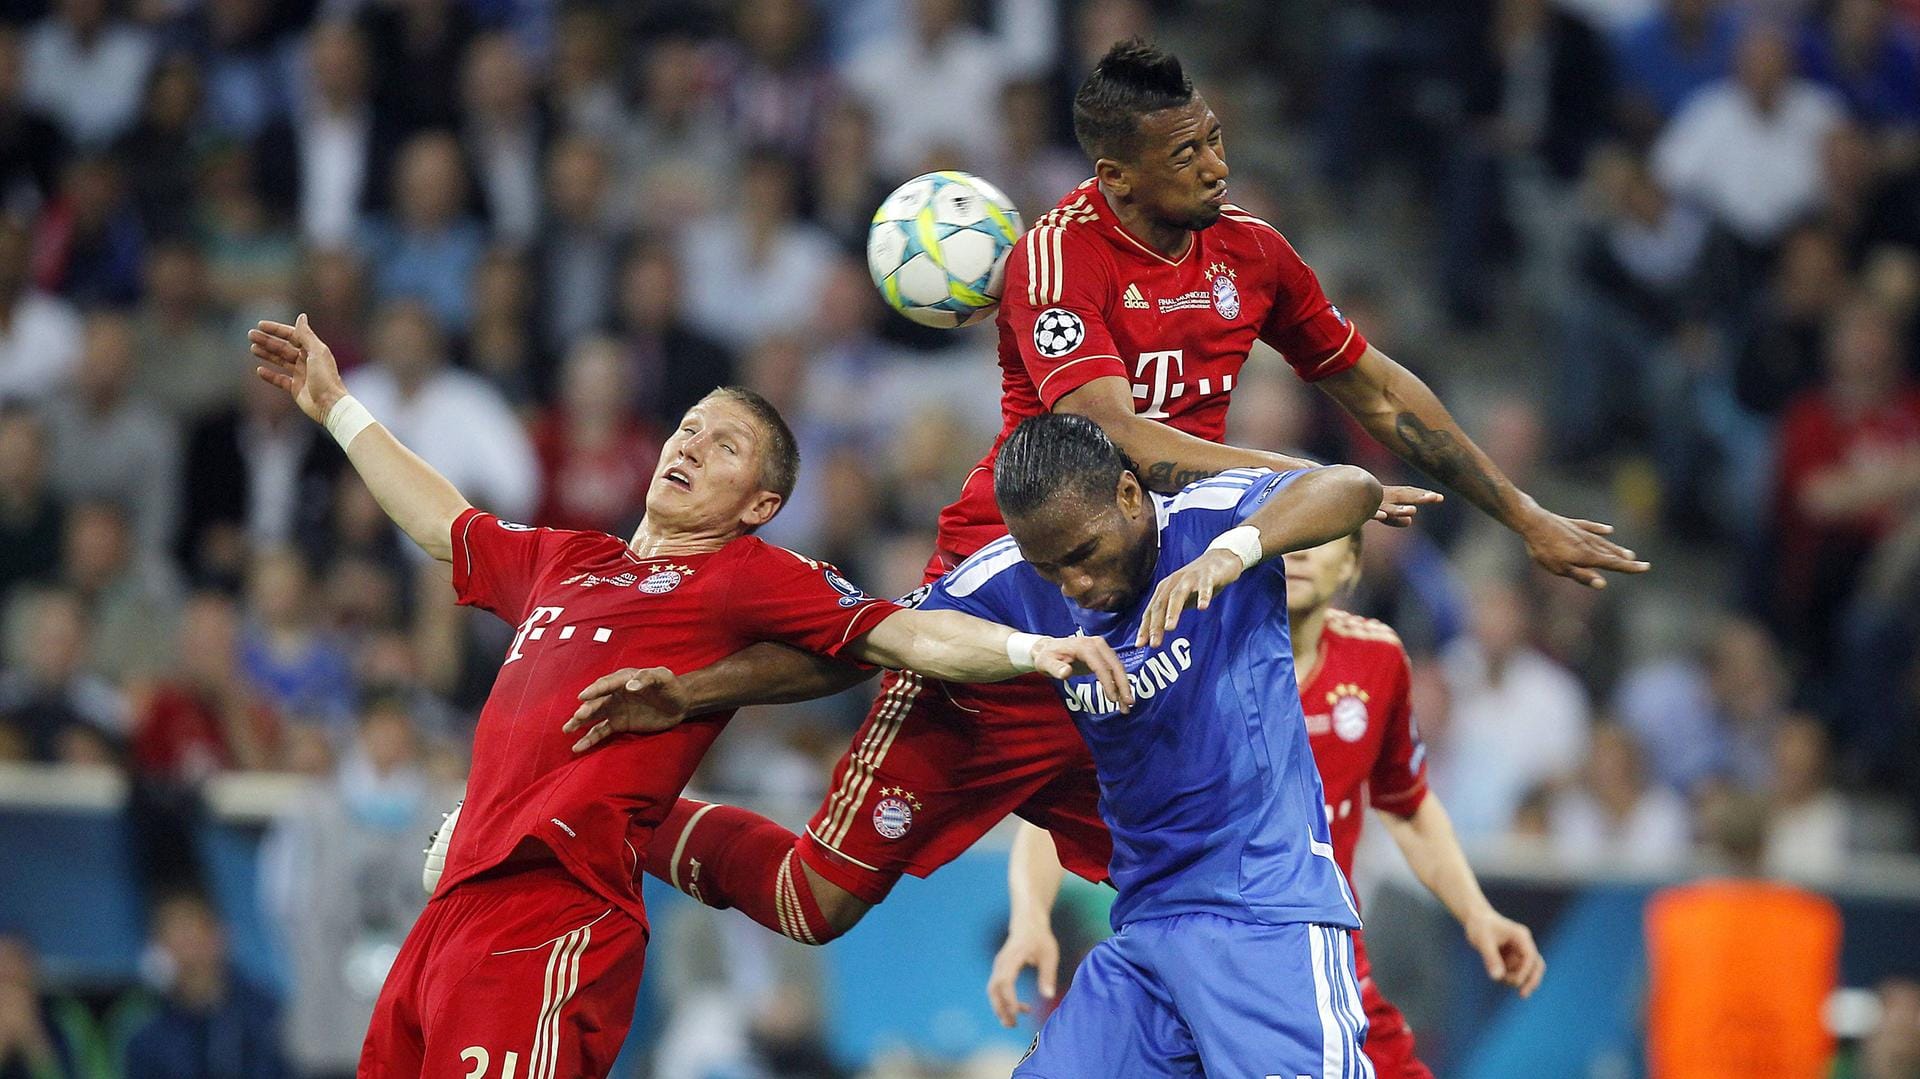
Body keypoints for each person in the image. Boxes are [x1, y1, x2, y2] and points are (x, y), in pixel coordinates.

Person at [567, 39, 1646, 952]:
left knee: (1189, 896)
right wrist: (1294, 482)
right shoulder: (1055, 259)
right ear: (1116, 175)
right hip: (1007, 600)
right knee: (817, 901)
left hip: (1144, 617)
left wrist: (1523, 511)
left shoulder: (1252, 254)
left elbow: (1381, 390)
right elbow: (1118, 440)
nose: (1218, 164)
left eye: (1217, 137)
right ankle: (620, 817)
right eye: (1187, 152)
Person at [244, 314, 1126, 1078]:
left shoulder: (738, 575)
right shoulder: (571, 560)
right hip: (448, 914)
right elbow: (446, 524)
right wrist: (336, 406)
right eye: (691, 427)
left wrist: (1032, 648)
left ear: (760, 503)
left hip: (552, 916)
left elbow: (903, 634)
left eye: (726, 446)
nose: (693, 445)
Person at [986, 526, 1544, 1076]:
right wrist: (1030, 916)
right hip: (1189, 947)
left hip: (1317, 949)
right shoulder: (1180, 652)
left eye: (1319, 538)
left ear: (1352, 567)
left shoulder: (1377, 660)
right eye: (1285, 538)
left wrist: (1477, 915)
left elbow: (1407, 804)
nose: (1297, 552)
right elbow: (1070, 802)